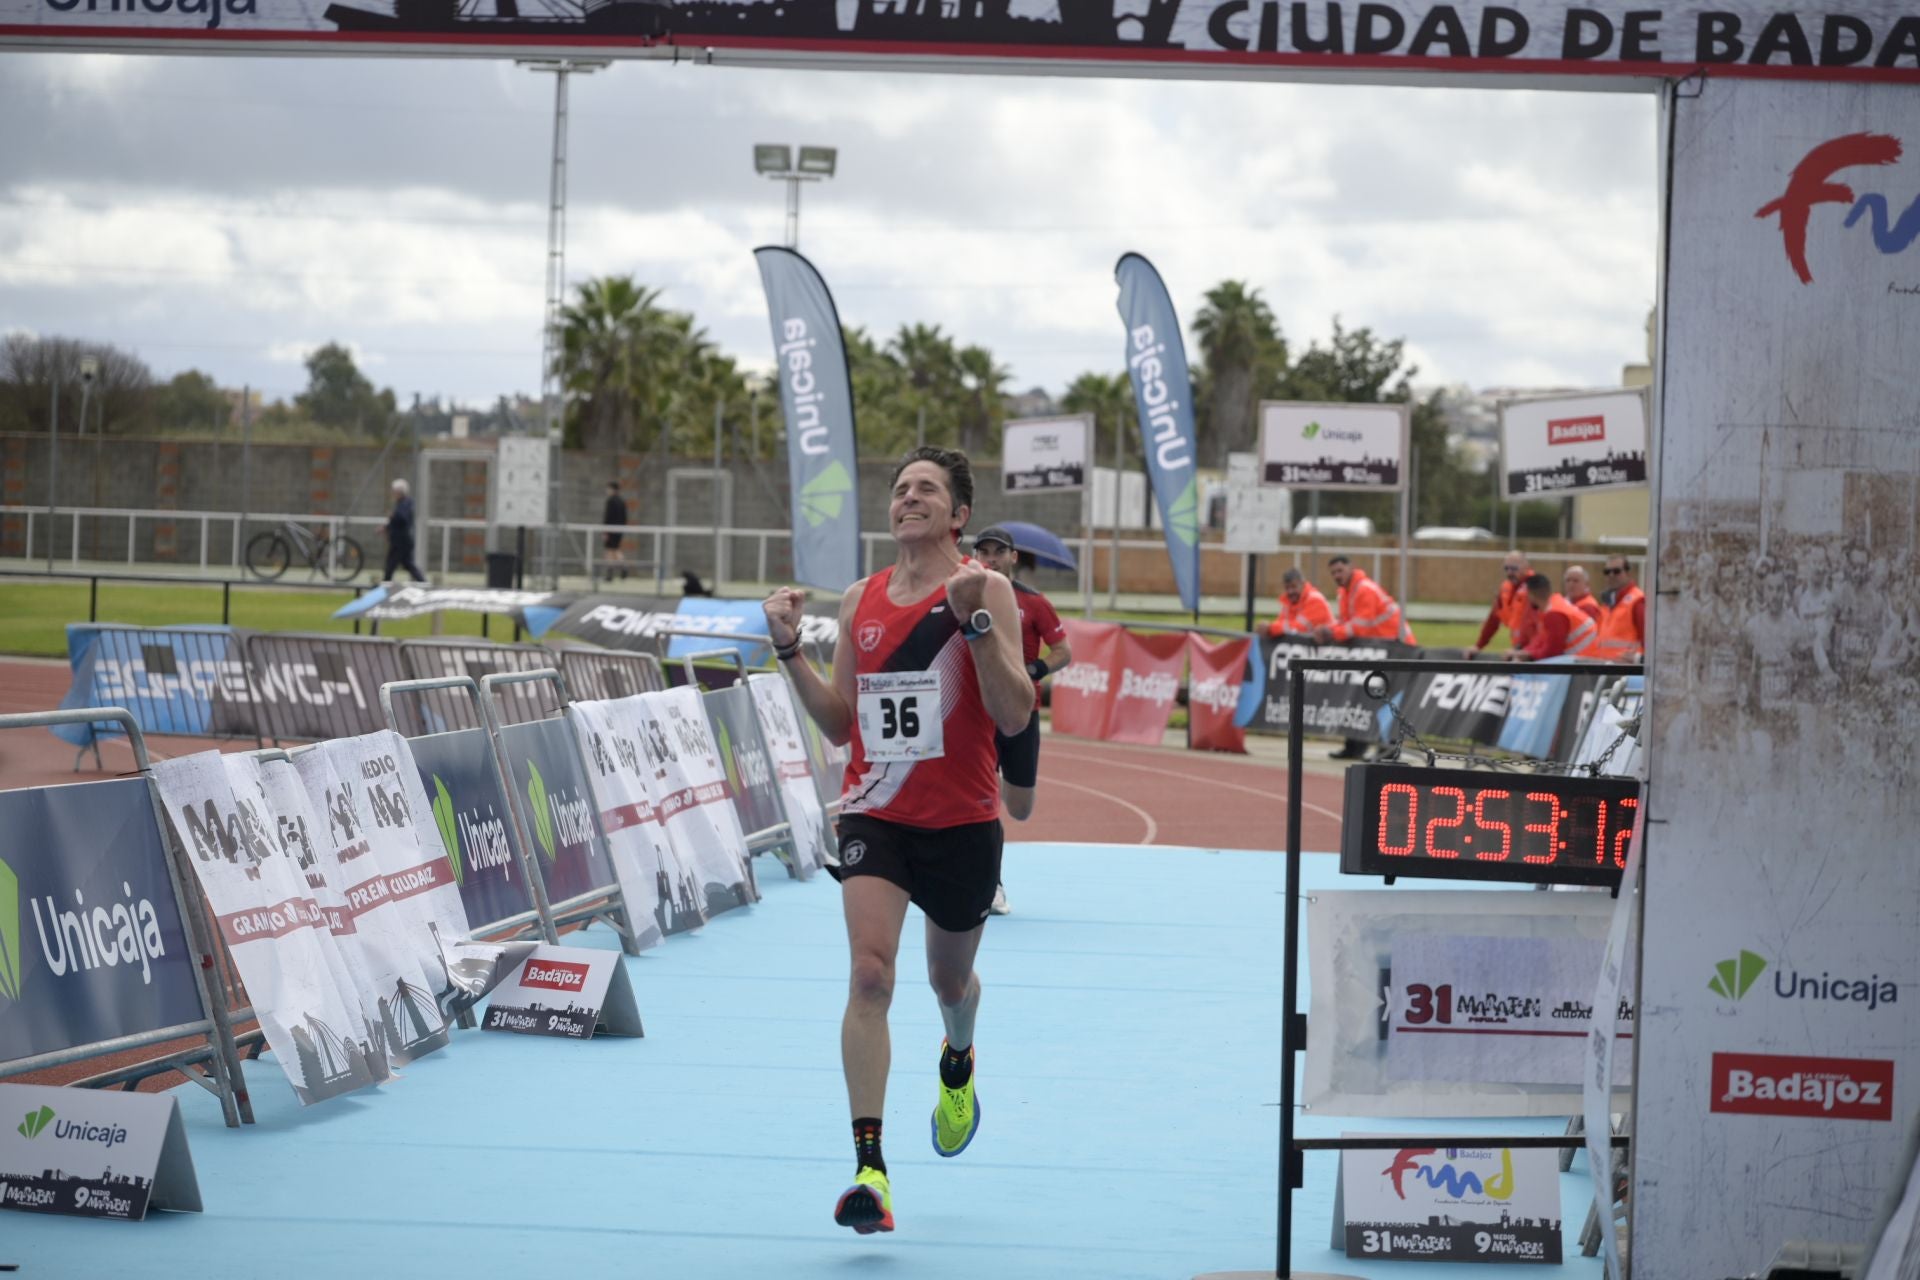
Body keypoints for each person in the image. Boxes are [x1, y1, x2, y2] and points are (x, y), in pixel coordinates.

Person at [761, 446, 1032, 1237]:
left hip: (963, 824)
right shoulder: (860, 600)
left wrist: (975, 620)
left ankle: (958, 1060)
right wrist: (787, 651)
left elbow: (1013, 715)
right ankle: (870, 1171)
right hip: (875, 815)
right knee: (870, 977)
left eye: (928, 490)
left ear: (958, 517)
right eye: (901, 487)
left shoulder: (990, 592)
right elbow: (842, 721)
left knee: (951, 985)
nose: (908, 497)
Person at [970, 524, 1073, 915]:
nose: (991, 559)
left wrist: (1035, 668)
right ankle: (989, 884)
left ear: (1013, 558)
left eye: (999, 552)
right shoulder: (964, 596)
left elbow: (1063, 650)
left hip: (1022, 714)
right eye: (985, 552)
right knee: (982, 802)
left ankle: (995, 781)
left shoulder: (1035, 603)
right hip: (979, 715)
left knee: (1020, 808)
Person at [1312, 556, 1415, 759]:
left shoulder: (1364, 589)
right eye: (1333, 573)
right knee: (1360, 696)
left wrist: (1332, 633)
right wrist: (1329, 629)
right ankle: (1355, 746)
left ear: (1350, 568)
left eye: (1340, 571)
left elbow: (1361, 625)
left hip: (1397, 648)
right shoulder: (1345, 592)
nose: (1337, 576)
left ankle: (1389, 749)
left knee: (1388, 699)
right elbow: (1345, 622)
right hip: (1376, 649)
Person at [1504, 572, 1598, 661]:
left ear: (1531, 595)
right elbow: (1541, 640)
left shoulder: (1554, 614)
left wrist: (1525, 655)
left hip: (1586, 664)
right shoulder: (1555, 604)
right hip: (1586, 660)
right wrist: (1522, 652)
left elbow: (1552, 653)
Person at [1594, 553, 1647, 661]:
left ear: (1628, 573)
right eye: (1607, 572)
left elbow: (1648, 640)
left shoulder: (1637, 601)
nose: (1611, 575)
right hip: (1607, 669)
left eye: (1616, 571)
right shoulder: (1607, 604)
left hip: (1628, 671)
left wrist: (1639, 660)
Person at [1266, 566, 1333, 639]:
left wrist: (1269, 628)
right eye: (1287, 588)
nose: (1290, 591)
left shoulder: (1315, 600)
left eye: (1293, 587)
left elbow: (1299, 628)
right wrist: (1270, 628)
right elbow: (1281, 623)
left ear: (1303, 584)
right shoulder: (1288, 602)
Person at [382, 478, 425, 584]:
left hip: (402, 541)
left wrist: (393, 516)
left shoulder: (406, 503)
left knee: (392, 564)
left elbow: (402, 519)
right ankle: (423, 582)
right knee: (405, 563)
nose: (393, 494)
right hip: (400, 540)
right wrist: (386, 527)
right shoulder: (402, 503)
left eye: (394, 491)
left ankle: (385, 584)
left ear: (399, 492)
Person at [601, 480, 628, 581]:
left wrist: (605, 531)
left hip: (611, 530)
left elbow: (608, 517)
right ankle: (623, 568)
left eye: (608, 488)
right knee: (615, 550)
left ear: (613, 489)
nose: (607, 490)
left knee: (609, 551)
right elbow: (625, 518)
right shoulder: (621, 501)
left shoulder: (611, 501)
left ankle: (610, 573)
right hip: (619, 530)